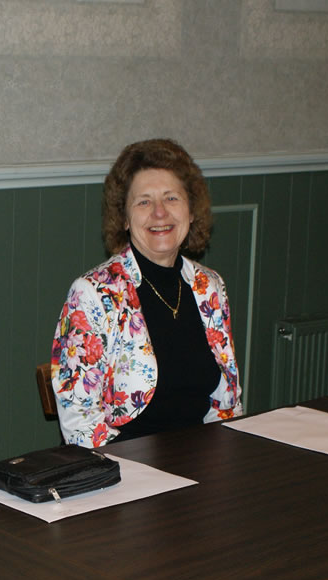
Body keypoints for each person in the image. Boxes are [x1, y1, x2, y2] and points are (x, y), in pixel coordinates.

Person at [50, 138, 242, 447]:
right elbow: (80, 425)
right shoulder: (93, 293)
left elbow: (227, 403)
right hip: (126, 462)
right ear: (125, 219)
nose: (159, 213)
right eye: (144, 202)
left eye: (171, 198)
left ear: (192, 211)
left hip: (203, 457)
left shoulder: (209, 286)